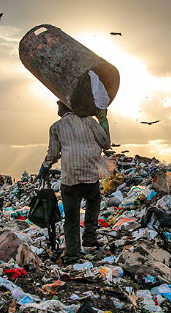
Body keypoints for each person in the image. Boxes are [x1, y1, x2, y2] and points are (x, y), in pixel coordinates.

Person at [40, 101, 110, 264]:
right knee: (94, 201)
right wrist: (103, 120)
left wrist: (45, 166)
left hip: (70, 178)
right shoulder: (90, 121)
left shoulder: (56, 127)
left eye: (59, 103)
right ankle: (90, 239)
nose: (57, 106)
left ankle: (72, 254)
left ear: (66, 106)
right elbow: (106, 143)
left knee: (71, 217)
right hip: (90, 175)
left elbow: (53, 153)